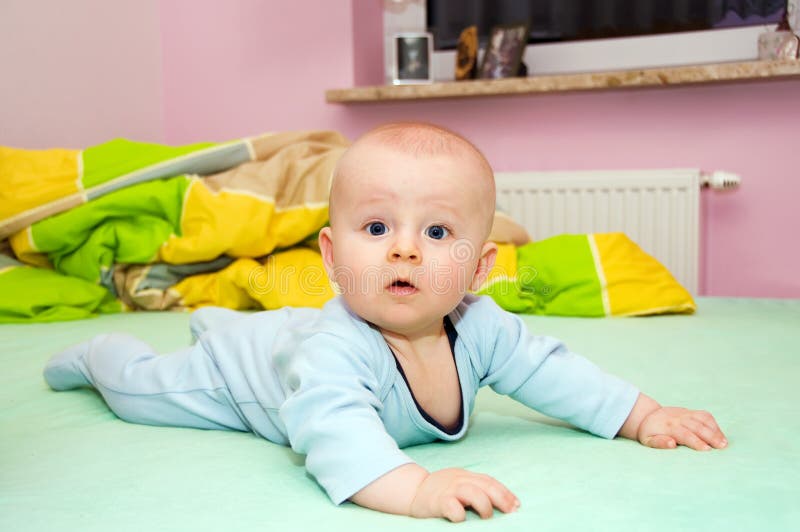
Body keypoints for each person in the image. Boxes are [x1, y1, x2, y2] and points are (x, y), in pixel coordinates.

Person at [43, 122, 727, 523]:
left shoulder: (481, 326)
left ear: (480, 266)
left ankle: (197, 328)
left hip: (283, 338)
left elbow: (553, 372)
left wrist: (641, 416)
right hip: (235, 378)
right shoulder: (337, 349)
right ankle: (99, 354)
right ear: (336, 258)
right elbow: (332, 432)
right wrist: (417, 489)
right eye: (377, 226)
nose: (403, 248)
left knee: (249, 331)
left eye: (436, 230)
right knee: (140, 391)